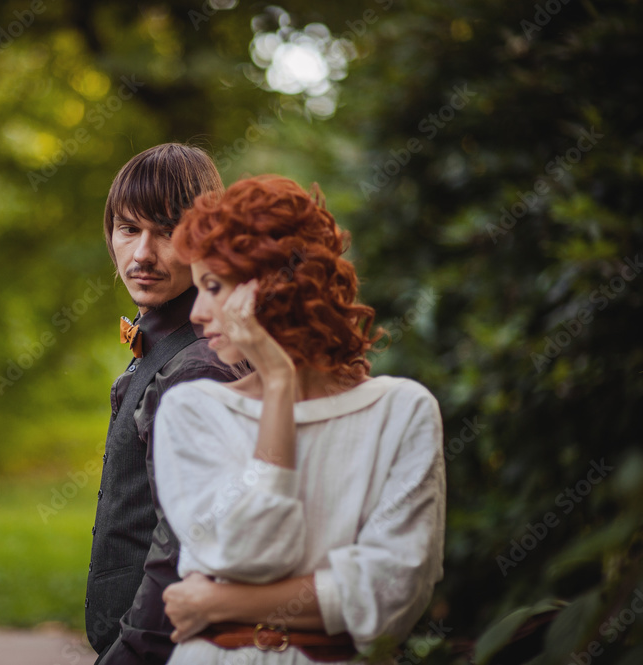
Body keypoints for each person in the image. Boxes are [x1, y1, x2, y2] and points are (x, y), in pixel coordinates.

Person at [152, 175, 446, 664]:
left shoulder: (402, 411)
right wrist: (279, 386)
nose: (199, 312)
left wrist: (218, 601)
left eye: (213, 285)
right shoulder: (193, 410)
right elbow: (247, 549)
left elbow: (391, 594)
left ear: (274, 286)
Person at [85, 143, 252, 664]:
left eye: (167, 232)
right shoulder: (162, 345)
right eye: (129, 229)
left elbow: (181, 550)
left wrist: (127, 656)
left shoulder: (198, 368)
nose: (142, 255)